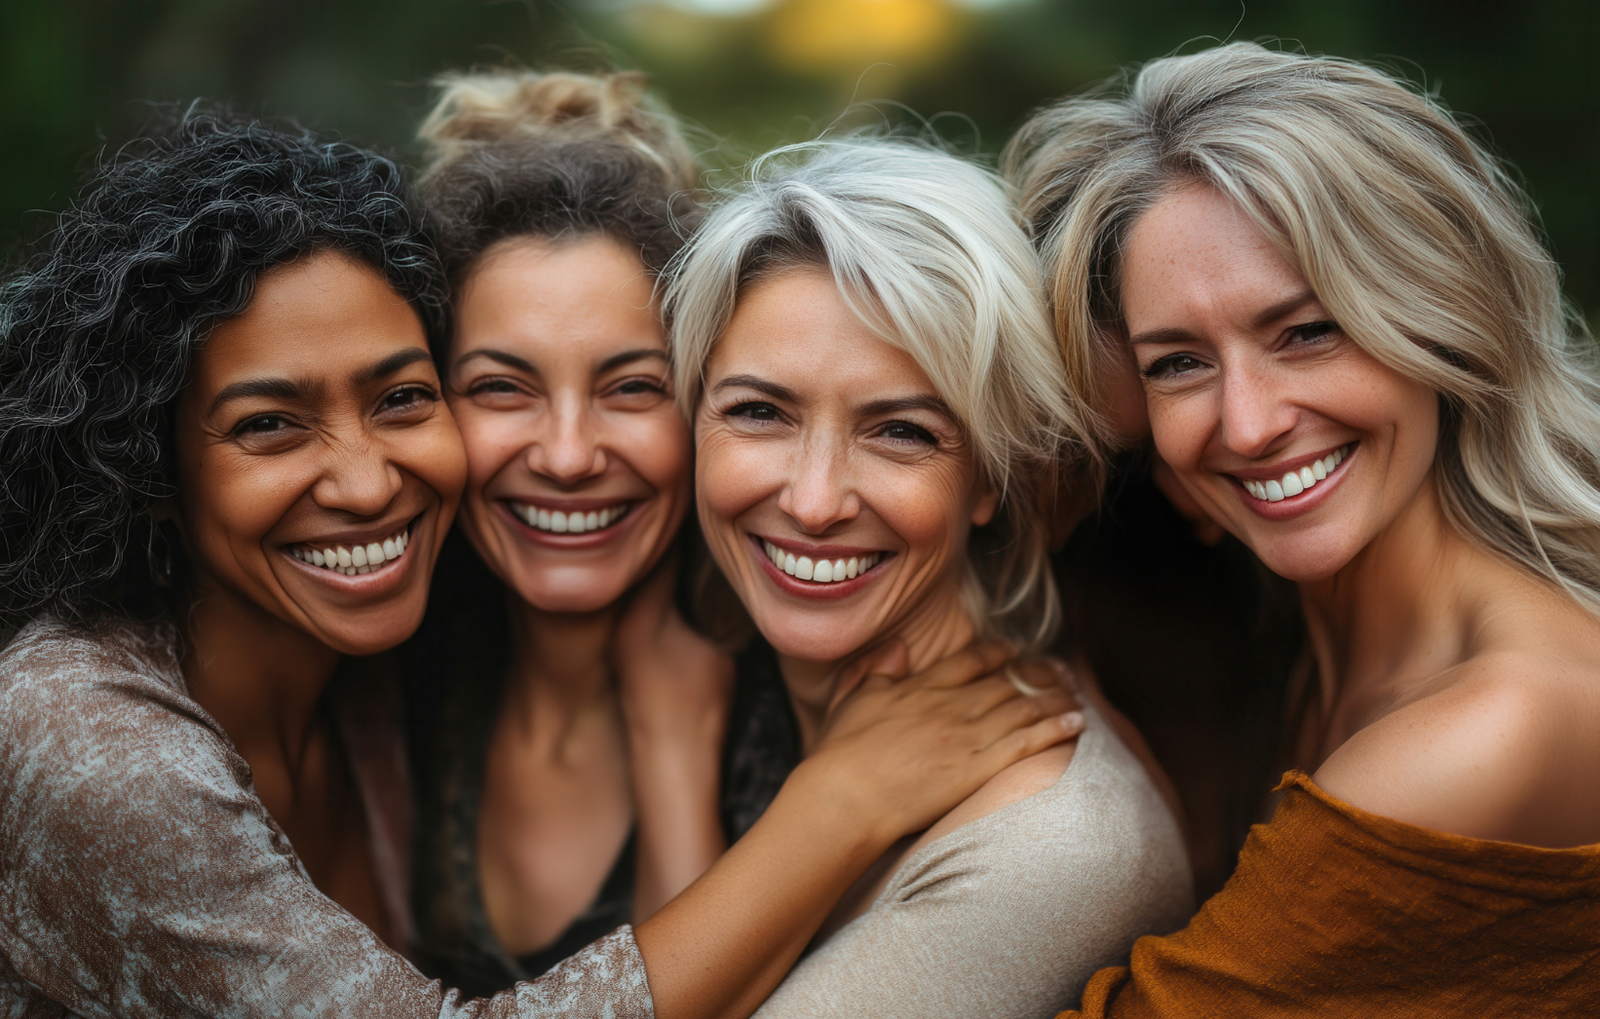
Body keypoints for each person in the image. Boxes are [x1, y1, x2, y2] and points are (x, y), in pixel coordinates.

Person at [0, 107, 1083, 1019]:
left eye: (401, 398)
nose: (369, 480)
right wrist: (839, 801)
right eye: (270, 423)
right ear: (143, 452)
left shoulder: (387, 659)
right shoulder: (94, 741)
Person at [1005, 42, 1600, 1016]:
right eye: (1177, 365)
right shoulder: (1286, 637)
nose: (1246, 421)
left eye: (1307, 331)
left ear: (1440, 319)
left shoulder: (1495, 726)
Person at [663, 136, 1194, 1019]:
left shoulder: (1046, 845)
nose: (815, 499)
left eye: (901, 431)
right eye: (759, 411)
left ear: (989, 475)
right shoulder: (708, 680)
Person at [402, 68, 848, 993]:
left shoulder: (800, 692)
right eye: (500, 386)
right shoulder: (399, 668)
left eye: (633, 387)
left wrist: (675, 752)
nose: (567, 456)